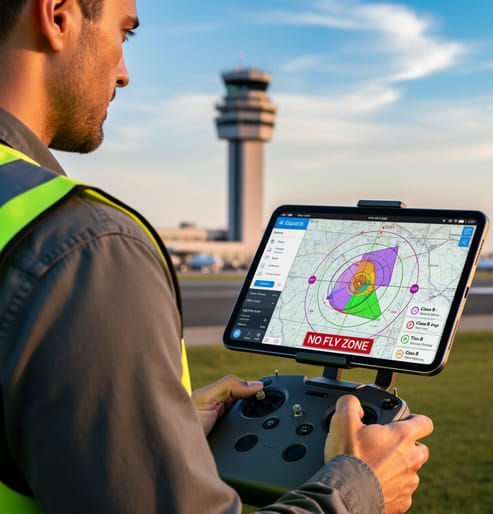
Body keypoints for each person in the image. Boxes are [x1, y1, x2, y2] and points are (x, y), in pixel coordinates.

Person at [0, 0, 433, 513]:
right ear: (58, 16)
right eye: (125, 33)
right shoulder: (87, 247)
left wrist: (149, 431)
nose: (124, 74)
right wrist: (358, 489)